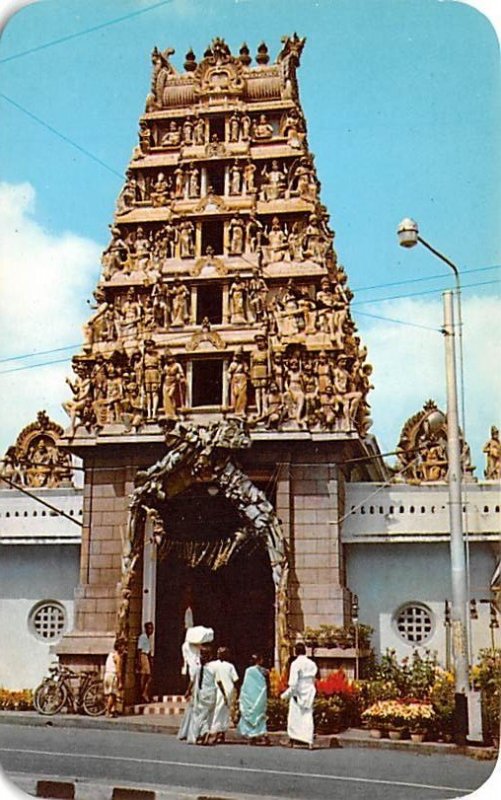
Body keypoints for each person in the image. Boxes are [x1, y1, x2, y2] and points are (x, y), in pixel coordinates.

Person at [179, 644, 218, 745]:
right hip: (207, 695)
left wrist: (188, 691)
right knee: (205, 716)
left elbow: (193, 681)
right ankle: (203, 733)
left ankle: (201, 734)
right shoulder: (208, 668)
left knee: (200, 716)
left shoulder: (203, 668)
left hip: (203, 695)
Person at [281, 642, 318, 749]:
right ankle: (309, 741)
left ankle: (292, 740)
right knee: (308, 717)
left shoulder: (295, 664)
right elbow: (314, 679)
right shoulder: (312, 664)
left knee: (294, 717)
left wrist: (284, 695)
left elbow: (293, 684)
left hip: (298, 692)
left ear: (295, 652)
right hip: (309, 691)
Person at [238, 653, 270, 744]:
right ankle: (261, 734)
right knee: (259, 716)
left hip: (249, 698)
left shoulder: (248, 671)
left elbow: (245, 686)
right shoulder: (264, 671)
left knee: (250, 715)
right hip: (260, 697)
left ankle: (252, 735)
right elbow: (267, 685)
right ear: (261, 660)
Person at [210, 647, 239, 744]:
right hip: (221, 691)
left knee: (220, 712)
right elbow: (236, 680)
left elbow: (235, 680)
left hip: (224, 691)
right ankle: (218, 732)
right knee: (220, 712)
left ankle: (219, 732)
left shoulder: (228, 666)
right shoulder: (215, 665)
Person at [104, 639, 124, 717]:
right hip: (113, 676)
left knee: (112, 694)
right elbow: (118, 670)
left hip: (107, 675)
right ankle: (108, 711)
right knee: (112, 695)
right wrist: (120, 682)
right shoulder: (117, 657)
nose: (124, 648)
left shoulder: (110, 655)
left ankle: (113, 711)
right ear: (119, 647)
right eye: (122, 646)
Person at [137, 621, 154, 703]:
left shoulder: (148, 638)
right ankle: (142, 693)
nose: (151, 630)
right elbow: (139, 650)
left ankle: (144, 692)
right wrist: (139, 661)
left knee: (148, 676)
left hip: (147, 656)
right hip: (143, 656)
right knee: (145, 676)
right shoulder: (143, 637)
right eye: (150, 628)